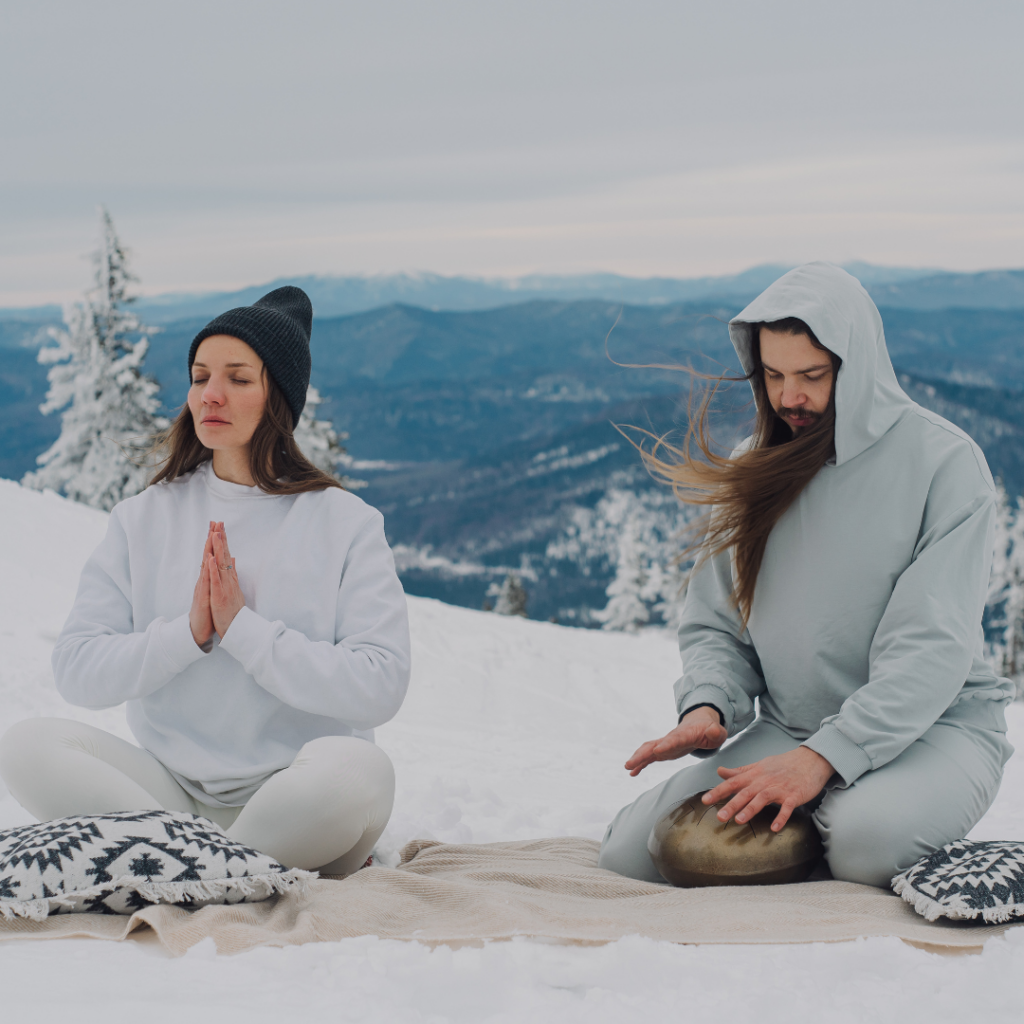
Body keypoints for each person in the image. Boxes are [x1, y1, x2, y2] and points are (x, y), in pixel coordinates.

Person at [598, 262, 1014, 888]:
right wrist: (709, 706)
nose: (790, 397)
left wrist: (825, 759)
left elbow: (929, 649)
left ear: (859, 367)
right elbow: (717, 627)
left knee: (863, 842)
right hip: (793, 731)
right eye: (774, 376)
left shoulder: (942, 463)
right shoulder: (752, 469)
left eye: (813, 376)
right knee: (634, 853)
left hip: (935, 729)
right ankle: (808, 829)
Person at [0, 286, 411, 875]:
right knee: (25, 746)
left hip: (296, 802)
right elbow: (77, 669)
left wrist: (242, 630)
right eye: (200, 376)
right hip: (166, 799)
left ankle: (188, 870)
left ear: (280, 398)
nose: (210, 395)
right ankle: (230, 874)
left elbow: (380, 686)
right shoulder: (144, 518)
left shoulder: (344, 523)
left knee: (360, 771)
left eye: (239, 378)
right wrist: (188, 635)